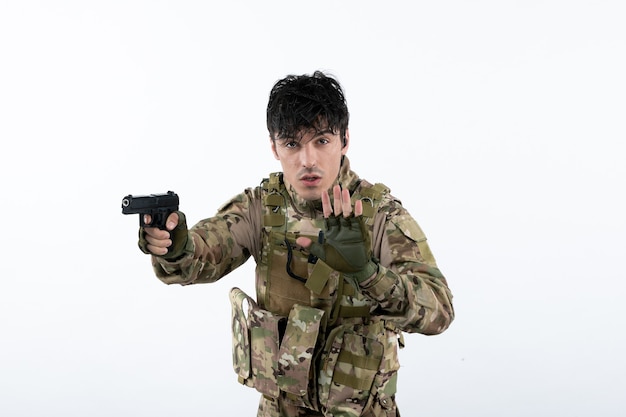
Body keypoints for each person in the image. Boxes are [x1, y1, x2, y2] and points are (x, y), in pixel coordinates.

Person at [137, 71, 454, 417]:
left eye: (321, 141)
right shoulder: (261, 207)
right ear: (273, 147)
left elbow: (438, 311)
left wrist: (368, 273)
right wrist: (175, 246)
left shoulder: (378, 216)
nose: (308, 160)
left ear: (344, 139)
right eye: (292, 144)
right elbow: (201, 253)